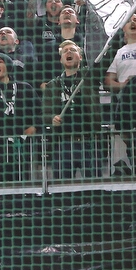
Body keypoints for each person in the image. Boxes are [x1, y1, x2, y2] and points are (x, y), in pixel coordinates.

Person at [41, 40, 102, 179]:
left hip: (89, 141)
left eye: (73, 50)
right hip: (63, 144)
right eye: (65, 51)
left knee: (94, 187)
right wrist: (52, 118)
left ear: (80, 57)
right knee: (63, 189)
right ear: (61, 59)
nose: (69, 52)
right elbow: (44, 114)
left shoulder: (89, 77)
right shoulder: (52, 85)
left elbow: (103, 60)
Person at [0, 53, 40, 182]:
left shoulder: (24, 87)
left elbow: (40, 112)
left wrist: (35, 127)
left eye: (0, 61)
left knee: (21, 183)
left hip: (21, 147)